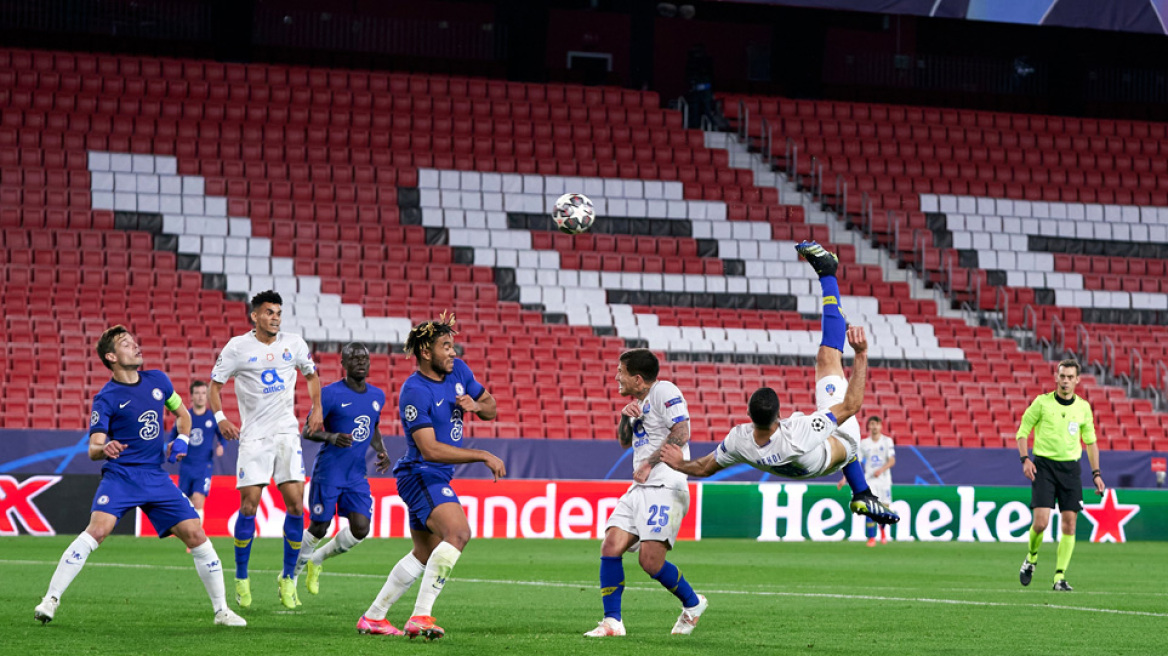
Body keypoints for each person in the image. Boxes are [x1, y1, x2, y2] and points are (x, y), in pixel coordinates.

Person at [660, 241, 898, 525]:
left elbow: (705, 467)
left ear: (749, 416)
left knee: (825, 360)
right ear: (780, 415)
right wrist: (861, 354)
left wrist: (680, 465)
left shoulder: (738, 441)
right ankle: (828, 272)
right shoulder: (797, 432)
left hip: (810, 463)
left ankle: (862, 492)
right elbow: (852, 406)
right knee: (830, 356)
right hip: (842, 445)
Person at [34, 325, 245, 627]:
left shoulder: (158, 381)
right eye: (125, 343)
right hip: (120, 476)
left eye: (134, 341)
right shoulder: (106, 398)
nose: (135, 346)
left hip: (155, 476)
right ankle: (50, 599)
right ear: (111, 356)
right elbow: (93, 448)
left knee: (196, 534)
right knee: (97, 530)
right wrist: (105, 447)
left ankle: (221, 611)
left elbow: (183, 416)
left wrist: (182, 440)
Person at [356, 313, 504, 640]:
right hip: (421, 473)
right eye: (446, 346)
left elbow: (491, 406)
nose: (453, 352)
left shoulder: (459, 371)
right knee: (459, 533)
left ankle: (374, 617)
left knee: (424, 554)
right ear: (426, 352)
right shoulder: (415, 391)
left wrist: (476, 407)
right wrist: (481, 454)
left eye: (453, 346)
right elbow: (430, 449)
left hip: (435, 475)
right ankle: (421, 616)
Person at [209, 290, 322, 610]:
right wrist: (220, 419)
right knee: (249, 506)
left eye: (278, 312)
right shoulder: (237, 347)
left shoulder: (294, 343)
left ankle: (288, 578)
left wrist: (316, 408)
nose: (275, 317)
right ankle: (242, 577)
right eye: (269, 312)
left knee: (297, 505)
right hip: (254, 437)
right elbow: (215, 387)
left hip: (286, 434)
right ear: (255, 316)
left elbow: (312, 376)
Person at [583, 347, 707, 638]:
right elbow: (625, 442)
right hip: (641, 486)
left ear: (638, 379)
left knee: (650, 562)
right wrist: (626, 418)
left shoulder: (664, 390)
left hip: (665, 484)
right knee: (611, 545)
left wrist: (650, 464)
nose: (616, 377)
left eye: (620, 371)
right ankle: (612, 622)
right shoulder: (639, 402)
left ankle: (693, 603)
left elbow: (682, 431)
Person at [293, 343, 392, 596]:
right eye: (354, 358)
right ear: (344, 364)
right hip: (329, 472)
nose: (360, 362)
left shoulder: (377, 396)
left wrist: (381, 450)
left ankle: (317, 560)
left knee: (361, 528)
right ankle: (291, 575)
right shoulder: (329, 395)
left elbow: (372, 426)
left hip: (356, 474)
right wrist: (332, 437)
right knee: (319, 526)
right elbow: (307, 431)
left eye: (364, 358)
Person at [1016, 359, 1106, 591]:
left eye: (1070, 377)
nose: (1065, 381)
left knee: (1070, 524)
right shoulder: (1042, 403)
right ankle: (1032, 558)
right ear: (1056, 377)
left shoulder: (1083, 407)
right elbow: (1022, 432)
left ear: (1077, 380)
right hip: (1044, 466)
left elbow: (1091, 442)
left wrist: (1096, 473)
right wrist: (1025, 459)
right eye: (1062, 376)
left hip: (1070, 469)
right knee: (1041, 522)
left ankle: (1059, 576)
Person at [167, 381, 226, 526]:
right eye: (197, 393)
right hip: (186, 466)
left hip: (204, 466)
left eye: (203, 393)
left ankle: (197, 537)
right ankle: (188, 533)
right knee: (185, 503)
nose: (200, 397)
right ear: (191, 396)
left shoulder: (212, 418)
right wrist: (171, 447)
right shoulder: (185, 417)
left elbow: (223, 436)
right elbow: (172, 436)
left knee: (198, 500)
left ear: (207, 396)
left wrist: (221, 445)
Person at [838, 416, 896, 546]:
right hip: (870, 480)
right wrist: (844, 478)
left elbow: (892, 460)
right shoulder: (864, 443)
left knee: (884, 509)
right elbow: (855, 462)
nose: (874, 427)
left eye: (876, 424)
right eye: (871, 424)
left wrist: (881, 470)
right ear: (868, 427)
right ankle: (871, 537)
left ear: (881, 425)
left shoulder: (887, 441)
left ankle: (882, 533)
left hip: (884, 480)